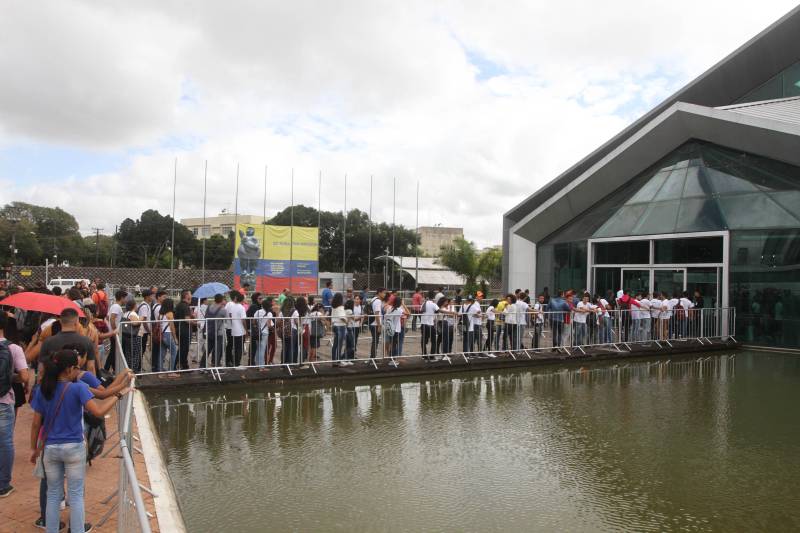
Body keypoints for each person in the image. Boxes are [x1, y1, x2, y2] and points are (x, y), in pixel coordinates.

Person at [30, 349, 127, 533]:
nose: (78, 370)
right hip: (73, 447)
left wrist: (33, 448)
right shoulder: (78, 388)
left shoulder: (43, 389)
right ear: (68, 369)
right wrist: (119, 395)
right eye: (76, 367)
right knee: (75, 495)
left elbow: (36, 424)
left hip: (50, 448)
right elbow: (98, 412)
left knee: (53, 494)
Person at [0, 312, 30, 498]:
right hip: (4, 400)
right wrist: (12, 378)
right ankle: (3, 485)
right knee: (5, 442)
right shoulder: (13, 348)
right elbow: (25, 376)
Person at [37, 309, 97, 376]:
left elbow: (41, 370)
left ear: (61, 322)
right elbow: (91, 368)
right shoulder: (87, 341)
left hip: (54, 382)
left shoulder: (48, 342)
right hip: (79, 382)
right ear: (77, 322)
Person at [119, 300, 146, 373]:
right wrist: (141, 318)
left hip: (127, 336)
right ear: (133, 306)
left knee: (129, 354)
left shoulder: (126, 313)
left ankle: (128, 370)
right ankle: (133, 372)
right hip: (134, 336)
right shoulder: (133, 313)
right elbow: (135, 323)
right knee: (135, 354)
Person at [104, 290, 126, 372]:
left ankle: (114, 368)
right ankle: (106, 368)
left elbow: (108, 317)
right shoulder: (117, 307)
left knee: (114, 351)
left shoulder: (114, 306)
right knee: (113, 352)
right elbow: (112, 319)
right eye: (125, 298)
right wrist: (114, 331)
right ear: (122, 298)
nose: (126, 300)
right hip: (115, 333)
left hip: (113, 332)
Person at [202, 294, 227, 367]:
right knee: (218, 350)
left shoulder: (209, 307)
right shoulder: (223, 310)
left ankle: (202, 366)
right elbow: (227, 320)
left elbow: (206, 317)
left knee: (208, 350)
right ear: (222, 300)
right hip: (218, 333)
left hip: (209, 331)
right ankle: (216, 366)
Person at [174, 290, 194, 370]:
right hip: (184, 330)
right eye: (190, 294)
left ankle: (179, 365)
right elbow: (186, 319)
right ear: (186, 296)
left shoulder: (179, 305)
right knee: (184, 349)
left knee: (182, 348)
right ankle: (181, 365)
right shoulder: (185, 306)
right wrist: (197, 323)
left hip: (179, 329)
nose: (191, 296)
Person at [227, 292, 247, 366]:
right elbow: (243, 320)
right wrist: (246, 329)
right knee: (239, 348)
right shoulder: (241, 307)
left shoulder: (232, 306)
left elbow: (230, 315)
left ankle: (235, 362)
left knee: (235, 347)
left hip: (233, 330)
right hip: (240, 330)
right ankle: (237, 363)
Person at [159, 299, 179, 370]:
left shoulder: (161, 314)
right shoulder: (170, 313)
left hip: (162, 334)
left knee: (162, 353)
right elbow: (172, 327)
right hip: (168, 334)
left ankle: (160, 371)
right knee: (174, 352)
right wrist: (175, 338)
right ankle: (171, 371)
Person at [136, 289, 154, 369]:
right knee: (141, 349)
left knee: (142, 349)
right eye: (151, 295)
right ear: (147, 297)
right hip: (143, 331)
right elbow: (144, 320)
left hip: (143, 331)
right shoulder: (144, 306)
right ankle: (138, 367)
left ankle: (139, 366)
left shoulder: (145, 305)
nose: (153, 297)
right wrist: (149, 331)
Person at [151, 291, 167, 372]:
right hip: (158, 331)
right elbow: (159, 320)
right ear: (158, 297)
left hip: (156, 330)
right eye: (164, 297)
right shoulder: (158, 307)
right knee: (157, 349)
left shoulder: (156, 306)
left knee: (156, 348)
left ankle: (156, 366)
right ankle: (156, 367)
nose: (165, 298)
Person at [367, 289, 386, 360]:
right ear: (379, 293)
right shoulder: (378, 301)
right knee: (375, 341)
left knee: (375, 341)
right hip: (375, 324)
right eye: (384, 293)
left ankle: (373, 357)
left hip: (373, 323)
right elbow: (377, 314)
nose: (384, 295)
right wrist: (379, 325)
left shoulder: (373, 299)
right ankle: (372, 358)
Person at [253, 299, 273, 366]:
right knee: (262, 349)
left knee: (258, 348)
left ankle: (257, 363)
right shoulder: (269, 313)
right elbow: (269, 325)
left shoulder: (257, 312)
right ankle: (261, 366)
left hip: (257, 332)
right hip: (265, 332)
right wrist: (272, 328)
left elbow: (254, 322)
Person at [330, 294, 347, 365]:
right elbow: (342, 317)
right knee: (339, 345)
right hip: (340, 326)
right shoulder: (340, 307)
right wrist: (347, 321)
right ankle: (338, 360)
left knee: (335, 344)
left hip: (335, 325)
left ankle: (334, 360)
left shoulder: (333, 307)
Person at [246, 293, 263, 365]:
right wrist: (249, 328)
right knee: (253, 345)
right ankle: (251, 361)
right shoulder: (254, 306)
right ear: (255, 299)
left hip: (255, 328)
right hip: (253, 329)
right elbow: (252, 318)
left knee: (254, 345)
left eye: (262, 298)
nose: (261, 300)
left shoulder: (257, 306)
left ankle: (252, 360)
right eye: (260, 298)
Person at [279, 297, 296, 364]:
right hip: (292, 330)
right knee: (291, 347)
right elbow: (297, 322)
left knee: (284, 347)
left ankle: (283, 363)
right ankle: (289, 363)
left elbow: (278, 321)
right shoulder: (294, 311)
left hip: (283, 331)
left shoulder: (281, 312)